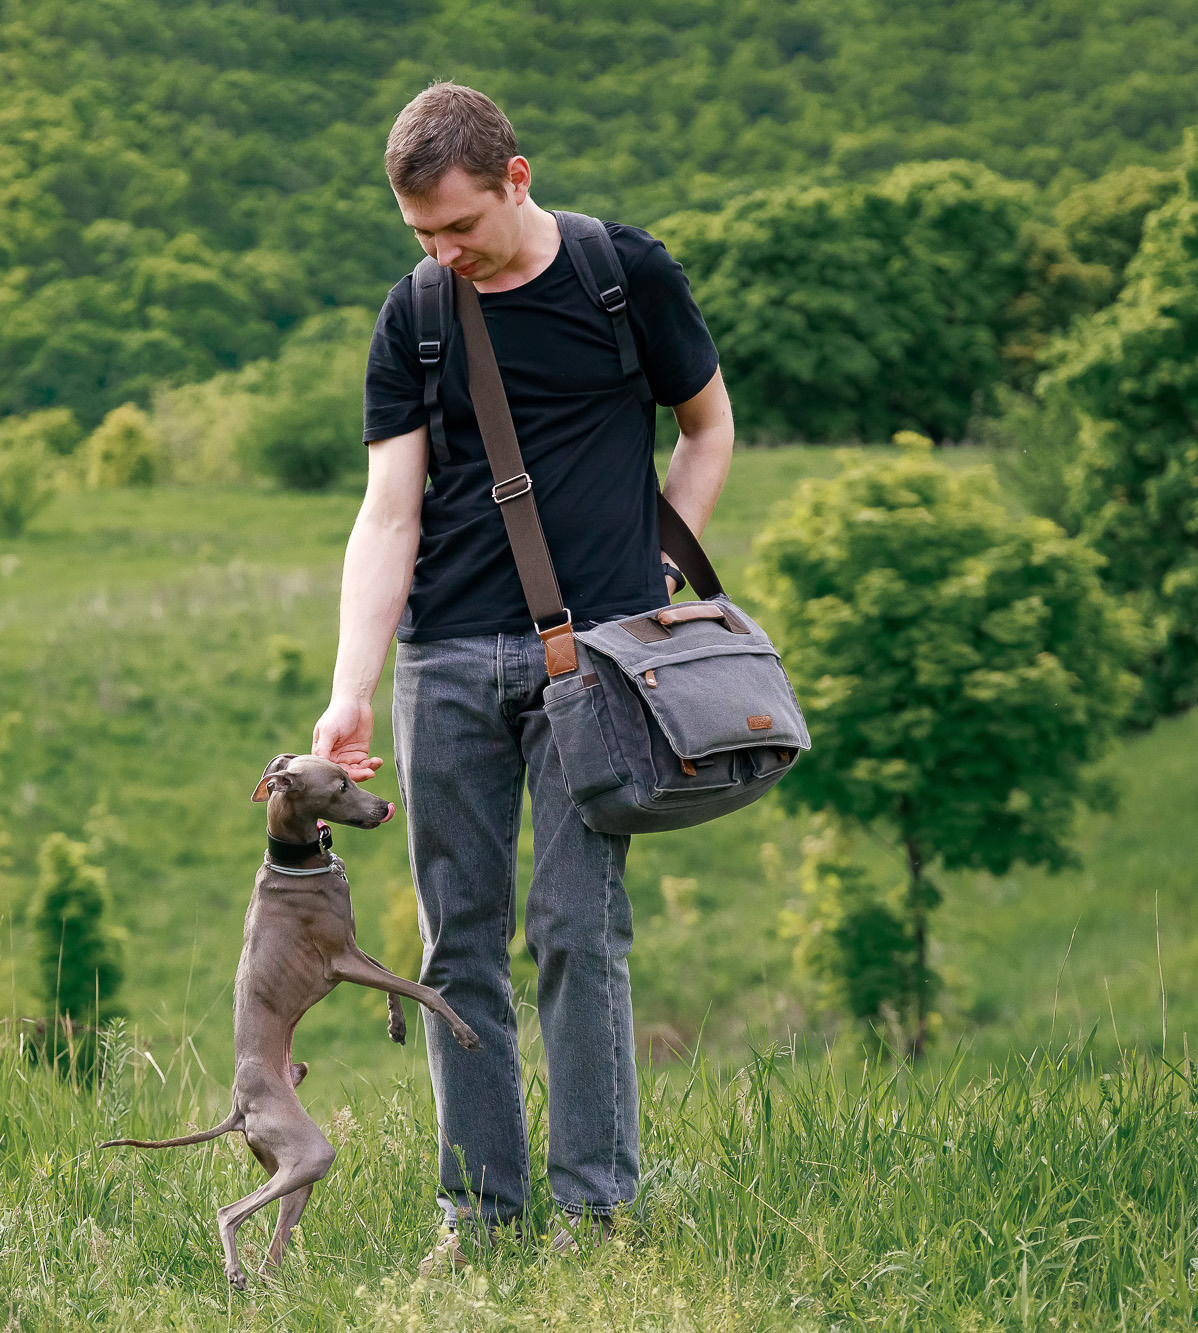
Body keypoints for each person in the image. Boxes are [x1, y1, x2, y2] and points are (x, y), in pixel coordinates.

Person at [310, 82, 734, 1274]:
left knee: (576, 932)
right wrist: (348, 689)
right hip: (441, 660)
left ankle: (601, 1217)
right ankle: (482, 1220)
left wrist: (656, 573)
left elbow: (707, 427)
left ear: (516, 176)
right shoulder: (415, 314)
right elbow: (387, 511)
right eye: (422, 238)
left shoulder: (620, 274)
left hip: (593, 664)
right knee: (459, 948)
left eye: (459, 229)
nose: (445, 254)